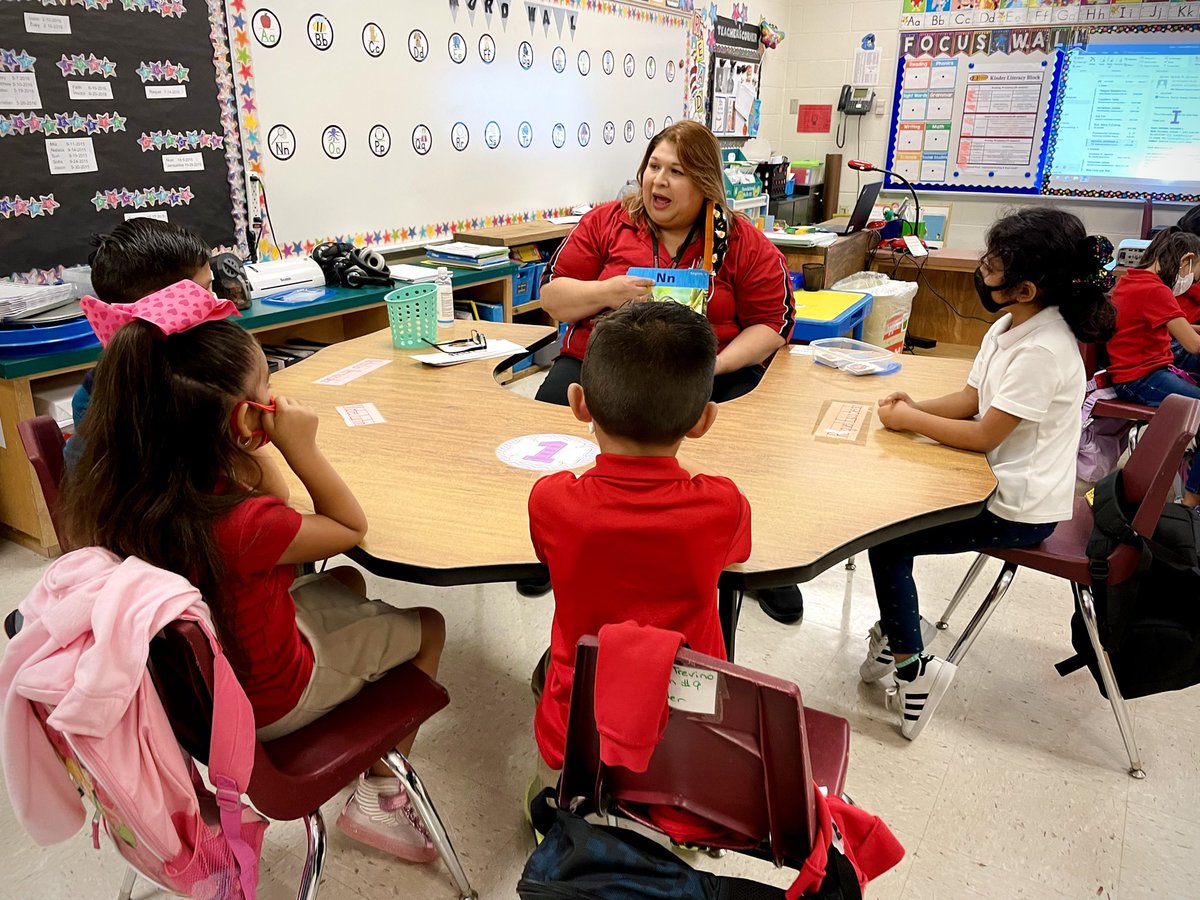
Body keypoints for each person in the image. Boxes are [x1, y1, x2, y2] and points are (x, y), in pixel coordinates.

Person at [58, 281, 447, 863]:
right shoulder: (242, 522)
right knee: (431, 623)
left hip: (198, 698)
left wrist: (251, 442)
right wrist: (298, 447)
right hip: (270, 703)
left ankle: (361, 734)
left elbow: (296, 530)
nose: (277, 398)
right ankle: (381, 797)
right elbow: (347, 528)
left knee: (346, 585)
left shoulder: (130, 492)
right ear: (243, 420)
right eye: (268, 388)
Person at [533, 120, 802, 624]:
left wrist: (712, 365)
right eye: (653, 167)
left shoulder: (739, 240)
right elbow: (552, 297)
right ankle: (553, 537)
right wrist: (608, 292)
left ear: (705, 182)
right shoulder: (607, 222)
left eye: (676, 171)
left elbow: (773, 322)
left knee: (748, 441)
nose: (658, 181)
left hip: (710, 368)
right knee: (542, 427)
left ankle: (762, 567)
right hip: (603, 362)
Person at [862, 208, 1118, 739]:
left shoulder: (1045, 350)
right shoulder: (1009, 324)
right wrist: (914, 406)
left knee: (887, 542)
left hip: (1020, 510)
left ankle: (914, 673)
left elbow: (984, 433)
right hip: (993, 482)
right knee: (892, 513)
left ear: (1025, 289)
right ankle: (898, 628)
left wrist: (911, 420)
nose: (983, 269)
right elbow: (973, 398)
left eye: (994, 265)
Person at [528, 302, 751, 773]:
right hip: (691, 732)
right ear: (703, 421)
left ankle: (567, 815)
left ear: (578, 403)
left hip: (577, 730)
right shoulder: (721, 506)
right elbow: (736, 554)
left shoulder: (552, 501)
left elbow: (546, 555)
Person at [66, 219, 213, 468]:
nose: (214, 302)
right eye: (205, 291)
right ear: (168, 307)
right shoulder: (171, 400)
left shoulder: (103, 387)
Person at [1105, 226, 1200, 507]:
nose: (1191, 282)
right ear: (1186, 261)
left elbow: (1179, 328)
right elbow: (1193, 344)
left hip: (1145, 368)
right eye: (1195, 276)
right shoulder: (1155, 290)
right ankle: (1192, 502)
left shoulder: (1133, 279)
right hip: (1140, 377)